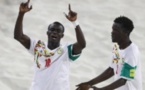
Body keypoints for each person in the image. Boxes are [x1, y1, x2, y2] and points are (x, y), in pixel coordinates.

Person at [14, 0, 86, 90]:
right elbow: (18, 36)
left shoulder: (66, 50)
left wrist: (75, 22)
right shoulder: (37, 46)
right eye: (52, 30)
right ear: (47, 33)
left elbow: (82, 44)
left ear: (62, 35)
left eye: (58, 31)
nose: (54, 32)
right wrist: (21, 13)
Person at [76, 16, 142, 90]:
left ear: (125, 32)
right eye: (112, 29)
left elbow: (123, 80)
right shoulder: (116, 47)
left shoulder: (131, 52)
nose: (112, 32)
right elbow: (111, 70)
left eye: (116, 30)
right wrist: (89, 83)